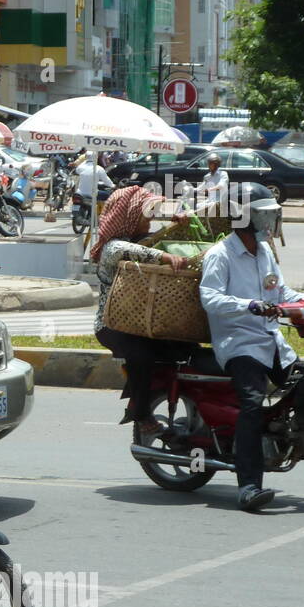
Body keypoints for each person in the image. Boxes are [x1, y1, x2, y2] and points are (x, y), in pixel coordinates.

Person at [198, 191, 302, 512]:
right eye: (264, 216)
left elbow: (280, 290)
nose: (270, 222)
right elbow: (210, 298)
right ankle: (248, 486)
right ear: (245, 218)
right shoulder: (221, 254)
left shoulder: (265, 252)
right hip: (239, 343)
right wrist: (250, 305)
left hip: (272, 342)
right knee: (252, 405)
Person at [91, 186, 192, 438]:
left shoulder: (141, 240)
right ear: (130, 217)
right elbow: (139, 252)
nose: (149, 221)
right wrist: (165, 258)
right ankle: (142, 413)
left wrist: (175, 221)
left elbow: (157, 240)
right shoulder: (112, 248)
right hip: (111, 325)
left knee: (188, 351)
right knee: (142, 355)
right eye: (145, 216)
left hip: (141, 322)